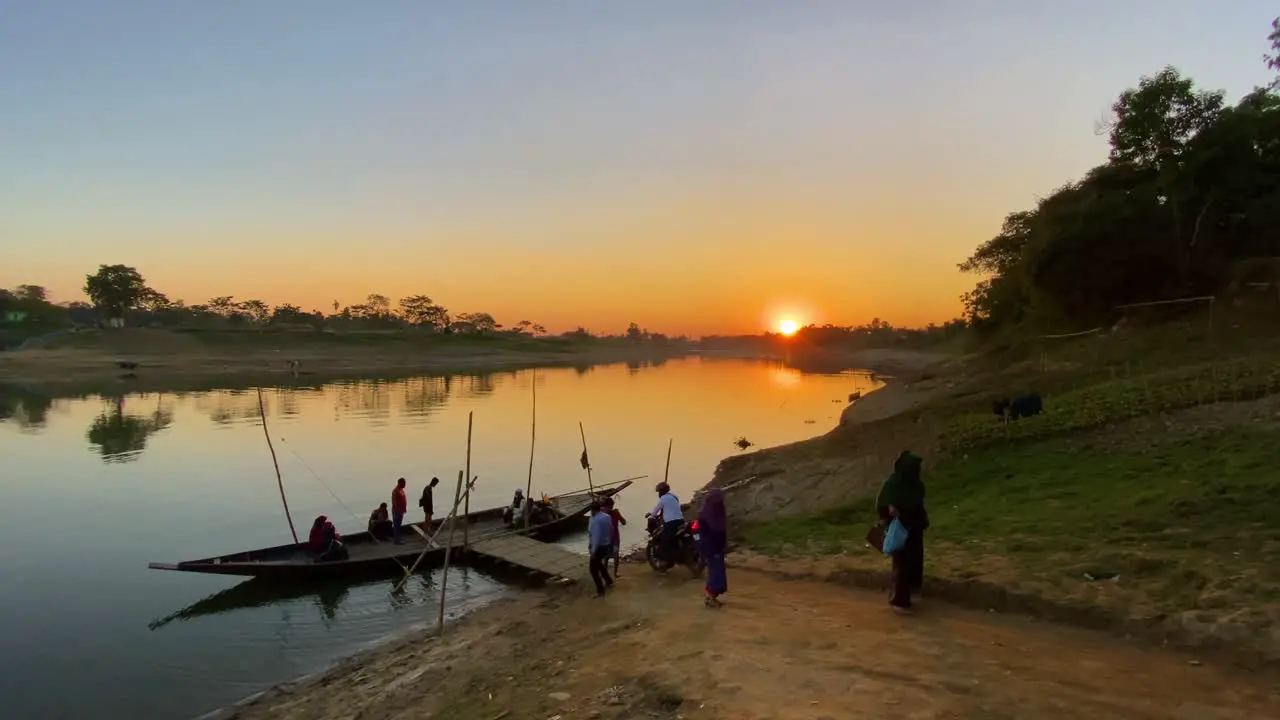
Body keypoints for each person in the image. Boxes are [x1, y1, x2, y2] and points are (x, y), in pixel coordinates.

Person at [876, 451, 929, 614]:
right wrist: (891, 508)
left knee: (911, 562)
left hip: (913, 528)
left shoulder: (915, 484)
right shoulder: (895, 483)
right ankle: (899, 600)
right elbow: (884, 502)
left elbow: (918, 505)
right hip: (901, 529)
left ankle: (908, 595)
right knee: (902, 564)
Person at [697, 488, 728, 607]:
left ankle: (712, 596)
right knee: (715, 572)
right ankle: (709, 598)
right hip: (711, 547)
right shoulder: (709, 514)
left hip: (714, 547)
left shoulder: (710, 512)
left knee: (717, 571)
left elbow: (721, 530)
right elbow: (715, 532)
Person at [650, 482, 683, 568]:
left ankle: (669, 561)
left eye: (659, 492)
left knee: (665, 540)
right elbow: (668, 509)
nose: (658, 494)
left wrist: (651, 517)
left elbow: (656, 509)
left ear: (661, 491)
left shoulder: (663, 499)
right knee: (673, 539)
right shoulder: (674, 497)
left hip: (671, 523)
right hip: (680, 520)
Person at [587, 501, 615, 597]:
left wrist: (593, 550)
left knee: (593, 569)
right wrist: (610, 542)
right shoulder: (606, 517)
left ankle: (600, 590)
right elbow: (611, 530)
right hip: (606, 544)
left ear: (593, 510)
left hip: (599, 546)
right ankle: (608, 580)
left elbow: (596, 537)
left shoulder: (596, 520)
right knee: (598, 563)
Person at [604, 496, 626, 576]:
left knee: (616, 555)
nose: (610, 508)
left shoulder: (615, 512)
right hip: (606, 539)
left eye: (612, 506)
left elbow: (624, 522)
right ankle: (605, 572)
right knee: (606, 556)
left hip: (615, 538)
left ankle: (615, 572)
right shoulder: (602, 514)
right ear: (605, 506)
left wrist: (619, 515)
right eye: (609, 506)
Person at [391, 477, 408, 544]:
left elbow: (403, 500)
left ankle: (398, 538)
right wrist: (397, 511)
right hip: (397, 511)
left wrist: (404, 509)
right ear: (400, 483)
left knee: (399, 525)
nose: (405, 485)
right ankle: (396, 540)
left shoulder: (401, 490)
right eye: (404, 483)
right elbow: (394, 502)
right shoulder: (395, 491)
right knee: (396, 526)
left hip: (401, 511)